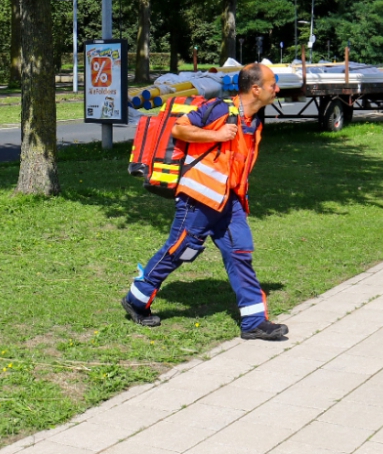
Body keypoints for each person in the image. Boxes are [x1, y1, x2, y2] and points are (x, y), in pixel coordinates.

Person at [121, 63, 290, 341]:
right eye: (273, 84)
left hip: (229, 201)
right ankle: (136, 300)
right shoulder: (220, 110)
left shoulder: (255, 121)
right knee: (178, 250)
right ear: (256, 89)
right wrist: (216, 135)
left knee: (240, 253)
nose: (278, 89)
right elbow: (180, 129)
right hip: (199, 199)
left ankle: (254, 322)